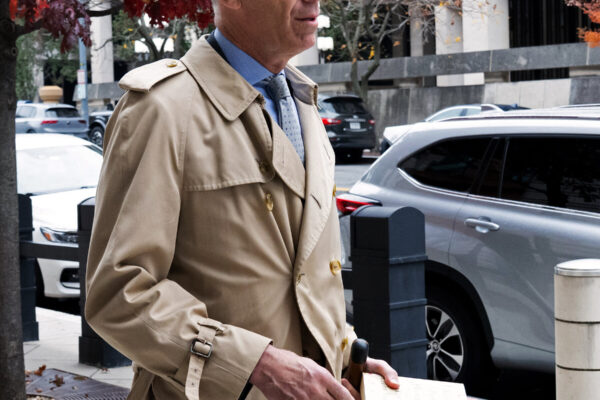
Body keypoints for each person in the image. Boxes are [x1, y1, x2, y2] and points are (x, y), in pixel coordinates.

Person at [85, 0, 399, 398]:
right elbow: (119, 293)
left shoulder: (302, 101)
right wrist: (255, 364)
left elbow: (304, 275)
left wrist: (344, 354)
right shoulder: (161, 109)